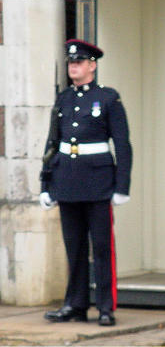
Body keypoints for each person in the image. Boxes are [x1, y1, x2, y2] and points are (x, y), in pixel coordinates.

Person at [39, 39, 132, 326]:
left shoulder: (108, 98)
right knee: (74, 247)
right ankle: (75, 305)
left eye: (78, 62)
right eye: (70, 62)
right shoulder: (64, 99)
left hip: (99, 182)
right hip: (67, 182)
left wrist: (122, 186)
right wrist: (46, 184)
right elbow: (53, 144)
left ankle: (106, 307)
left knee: (102, 247)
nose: (73, 67)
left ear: (92, 66)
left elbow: (122, 145)